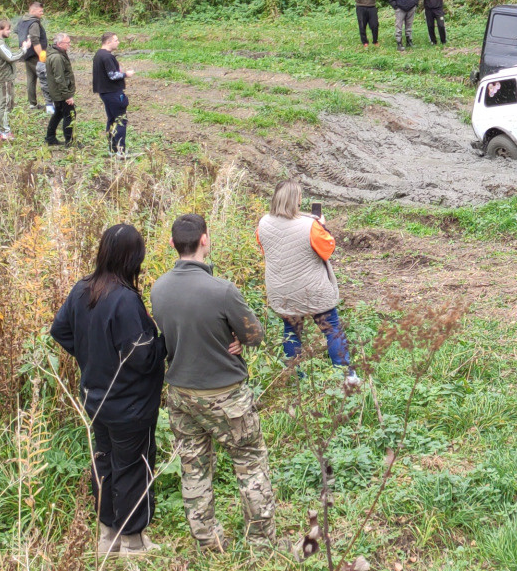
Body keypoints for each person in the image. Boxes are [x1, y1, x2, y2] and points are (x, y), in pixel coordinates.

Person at [150, 214, 276, 553]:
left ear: (173, 244)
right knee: (250, 462)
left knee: (193, 468)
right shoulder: (222, 290)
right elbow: (255, 334)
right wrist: (236, 337)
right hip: (226, 397)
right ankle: (261, 542)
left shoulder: (158, 288)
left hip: (181, 393)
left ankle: (208, 541)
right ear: (204, 239)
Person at [50, 223, 167, 557]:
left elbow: (60, 330)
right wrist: (166, 343)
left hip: (96, 399)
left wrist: (91, 357)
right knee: (133, 467)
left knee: (104, 464)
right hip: (130, 405)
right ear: (133, 259)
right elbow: (142, 356)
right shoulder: (125, 299)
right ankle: (132, 542)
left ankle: (108, 538)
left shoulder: (82, 289)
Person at [256, 180, 356, 379]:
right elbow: (327, 250)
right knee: (332, 329)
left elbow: (265, 248)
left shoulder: (263, 223)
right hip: (312, 290)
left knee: (291, 331)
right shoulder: (310, 225)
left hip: (282, 290)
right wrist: (322, 226)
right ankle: (346, 377)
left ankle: (296, 378)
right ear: (296, 200)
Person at [94, 32, 135, 157]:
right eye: (116, 40)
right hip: (113, 93)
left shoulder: (99, 54)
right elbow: (112, 76)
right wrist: (126, 74)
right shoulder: (107, 57)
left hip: (105, 93)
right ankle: (120, 151)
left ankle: (112, 150)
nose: (118, 42)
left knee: (112, 120)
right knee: (120, 120)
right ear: (108, 42)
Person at [0, 19, 23, 139]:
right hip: (3, 78)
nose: (9, 31)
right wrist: (24, 49)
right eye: (7, 29)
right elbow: (10, 57)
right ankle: (5, 131)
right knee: (6, 104)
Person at [13, 2, 49, 109]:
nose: (42, 13)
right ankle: (50, 104)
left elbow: (16, 31)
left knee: (31, 79)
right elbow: (35, 40)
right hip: (35, 55)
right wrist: (42, 56)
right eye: (40, 11)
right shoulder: (34, 23)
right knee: (46, 78)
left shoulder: (22, 20)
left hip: (26, 53)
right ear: (33, 11)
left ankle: (32, 104)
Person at [45, 33, 77, 147]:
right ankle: (70, 141)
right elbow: (59, 78)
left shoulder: (58, 54)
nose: (69, 45)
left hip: (57, 91)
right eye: (67, 43)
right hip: (60, 92)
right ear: (59, 44)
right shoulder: (57, 57)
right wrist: (67, 95)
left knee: (58, 113)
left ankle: (50, 137)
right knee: (70, 114)